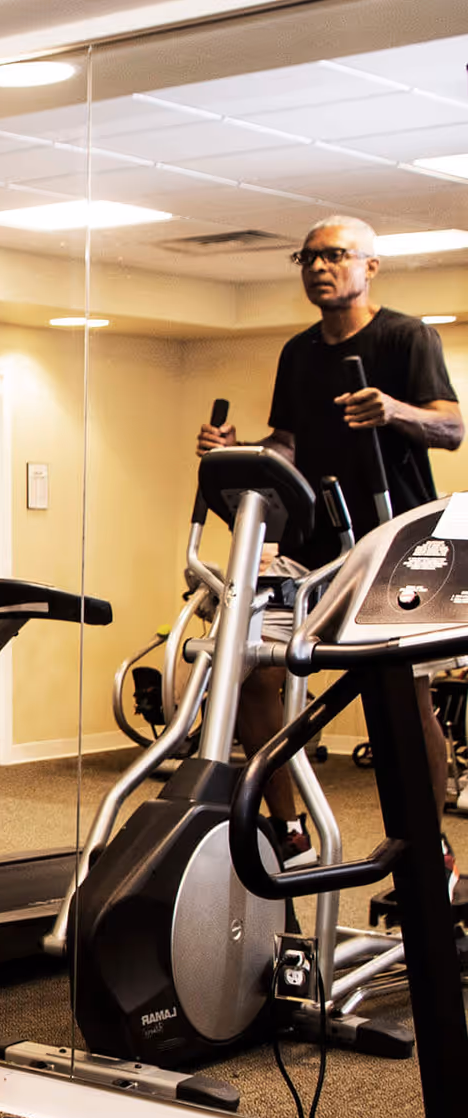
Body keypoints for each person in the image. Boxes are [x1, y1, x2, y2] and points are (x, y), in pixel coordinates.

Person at [197, 215, 462, 853]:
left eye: (334, 256)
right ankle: (290, 831)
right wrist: (241, 452)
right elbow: (287, 445)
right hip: (318, 543)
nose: (318, 267)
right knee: (254, 672)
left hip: (402, 543)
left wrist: (392, 409)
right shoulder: (298, 352)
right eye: (308, 257)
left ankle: (428, 849)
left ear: (369, 266)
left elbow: (451, 428)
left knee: (403, 696)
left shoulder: (407, 337)